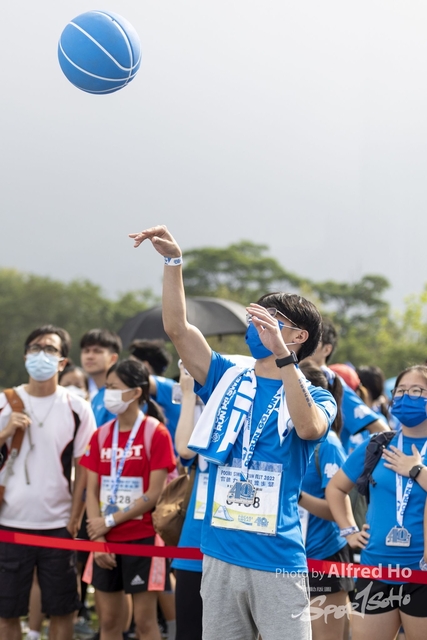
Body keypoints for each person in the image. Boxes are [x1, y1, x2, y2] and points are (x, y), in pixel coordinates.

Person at [129, 225, 337, 640]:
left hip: (277, 558)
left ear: (299, 337)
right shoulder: (228, 375)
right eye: (254, 318)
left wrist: (282, 357)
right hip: (219, 552)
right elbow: (178, 329)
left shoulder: (315, 394)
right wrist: (173, 262)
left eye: (271, 320)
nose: (257, 326)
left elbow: (309, 427)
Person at [0, 324, 96, 640]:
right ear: (25, 356)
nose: (41, 354)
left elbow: (85, 467)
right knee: (6, 613)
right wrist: (5, 431)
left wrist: (75, 517)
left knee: (62, 611)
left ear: (62, 361)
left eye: (50, 349)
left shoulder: (78, 407)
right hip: (9, 523)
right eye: (35, 348)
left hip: (58, 525)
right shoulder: (4, 402)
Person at [326, 365, 427, 640]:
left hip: (421, 574)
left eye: (416, 391)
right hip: (375, 570)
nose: (405, 397)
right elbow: (336, 488)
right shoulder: (378, 445)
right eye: (400, 391)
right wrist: (349, 530)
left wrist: (416, 470)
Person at [80, 359, 176, 640]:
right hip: (105, 540)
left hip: (142, 537)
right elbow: (91, 491)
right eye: (106, 387)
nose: (107, 394)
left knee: (145, 624)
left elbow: (154, 493)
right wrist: (98, 537)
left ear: (135, 392)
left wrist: (108, 521)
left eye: (113, 387)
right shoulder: (100, 435)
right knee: (109, 623)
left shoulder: (155, 432)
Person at [297, 360, 353, 640]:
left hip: (324, 555)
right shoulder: (286, 437)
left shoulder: (328, 444)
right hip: (287, 556)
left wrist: (295, 496)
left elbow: (337, 511)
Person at [309, 319, 388, 453]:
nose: (305, 345)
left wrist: (356, 463)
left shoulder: (332, 384)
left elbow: (381, 430)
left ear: (327, 349)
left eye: (313, 341)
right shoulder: (287, 376)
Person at [172, 363, 206, 640]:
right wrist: (188, 396)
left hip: (233, 548)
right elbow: (184, 450)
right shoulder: (203, 416)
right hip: (193, 544)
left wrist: (188, 394)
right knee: (188, 632)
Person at [129, 339, 181, 442]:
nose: (127, 370)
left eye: (131, 365)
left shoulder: (172, 387)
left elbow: (142, 379)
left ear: (145, 366)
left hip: (172, 450)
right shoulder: (143, 392)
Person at [80, 329, 122, 427]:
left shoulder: (120, 393)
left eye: (97, 351)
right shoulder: (92, 394)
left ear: (113, 358)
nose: (89, 356)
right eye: (86, 351)